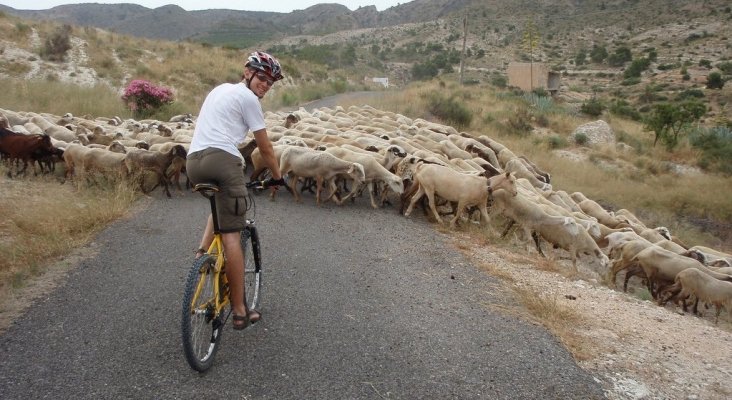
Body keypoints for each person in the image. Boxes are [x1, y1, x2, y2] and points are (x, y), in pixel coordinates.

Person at [186, 51, 286, 330]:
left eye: (270, 82)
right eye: (262, 78)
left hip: (194, 162)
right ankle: (240, 310)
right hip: (223, 160)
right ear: (247, 72)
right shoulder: (249, 100)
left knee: (221, 207)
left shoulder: (219, 90)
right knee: (232, 236)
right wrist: (277, 177)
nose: (265, 85)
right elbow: (264, 147)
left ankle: (201, 257)